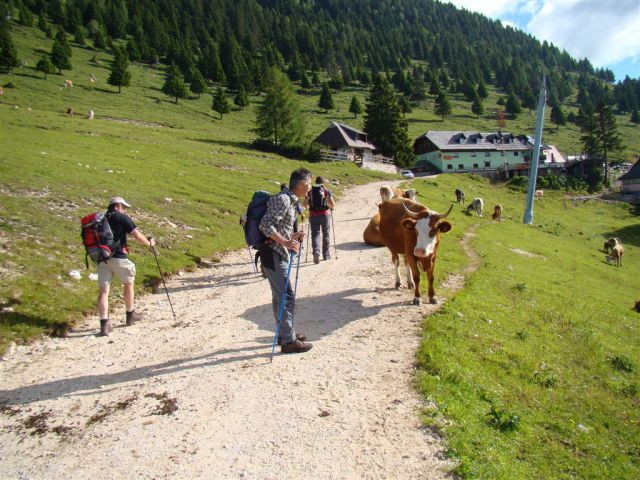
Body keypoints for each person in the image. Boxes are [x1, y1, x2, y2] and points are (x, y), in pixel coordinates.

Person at [259, 169, 313, 354]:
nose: (310, 187)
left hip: (278, 253)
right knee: (286, 296)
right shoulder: (282, 199)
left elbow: (278, 227)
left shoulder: (290, 201)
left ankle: (285, 334)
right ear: (300, 184)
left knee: (280, 296)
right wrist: (287, 242)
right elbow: (265, 225)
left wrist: (292, 235)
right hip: (273, 254)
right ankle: (289, 341)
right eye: (308, 183)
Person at [96, 197, 155, 336]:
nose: (124, 210)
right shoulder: (121, 217)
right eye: (123, 207)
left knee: (104, 291)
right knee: (128, 284)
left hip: (102, 258)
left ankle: (104, 324)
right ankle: (130, 314)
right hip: (119, 257)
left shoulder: (101, 219)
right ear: (117, 206)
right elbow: (137, 235)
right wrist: (149, 244)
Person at [304, 176, 336, 264]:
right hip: (324, 215)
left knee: (315, 235)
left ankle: (316, 252)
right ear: (323, 183)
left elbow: (305, 204)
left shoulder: (310, 191)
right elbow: (333, 204)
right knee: (325, 234)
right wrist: (331, 208)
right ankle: (326, 255)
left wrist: (308, 207)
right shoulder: (326, 190)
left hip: (313, 215)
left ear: (315, 182)